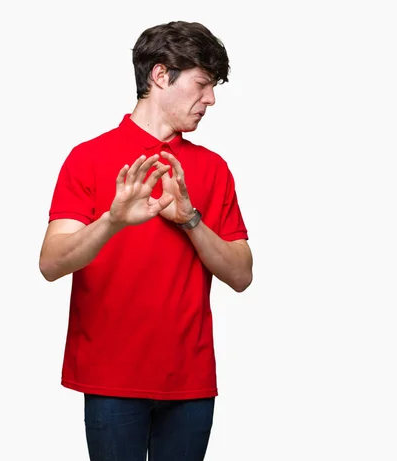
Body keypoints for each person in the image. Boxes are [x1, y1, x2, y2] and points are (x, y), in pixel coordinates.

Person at [39, 20, 253, 461]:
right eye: (202, 84)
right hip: (111, 379)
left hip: (190, 382)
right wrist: (112, 221)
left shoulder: (213, 169)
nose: (210, 99)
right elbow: (51, 264)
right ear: (160, 76)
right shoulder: (88, 158)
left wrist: (191, 220)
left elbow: (241, 274)